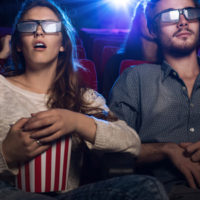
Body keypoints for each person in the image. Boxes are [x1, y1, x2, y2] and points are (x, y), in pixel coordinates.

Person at [0, 0, 169, 199]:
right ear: (18, 44)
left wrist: (76, 122)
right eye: (29, 26)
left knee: (146, 187)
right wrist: (6, 155)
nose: (39, 32)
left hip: (68, 196)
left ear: (62, 44)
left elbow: (131, 142)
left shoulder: (84, 97)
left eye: (50, 26)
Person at [109, 0, 200, 199]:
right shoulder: (135, 78)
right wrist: (166, 150)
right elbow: (112, 154)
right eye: (169, 15)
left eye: (190, 13)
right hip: (163, 192)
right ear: (152, 30)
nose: (183, 21)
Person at [102, 0, 159, 100]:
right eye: (147, 14)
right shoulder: (116, 63)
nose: (152, 21)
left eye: (157, 15)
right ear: (137, 20)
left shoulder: (174, 63)